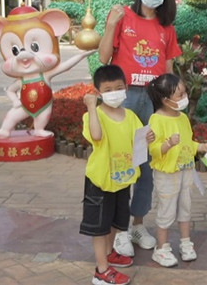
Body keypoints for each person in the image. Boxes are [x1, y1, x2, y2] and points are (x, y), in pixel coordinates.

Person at [98, 0, 182, 256]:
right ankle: (119, 229)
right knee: (122, 161)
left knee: (145, 163)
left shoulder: (166, 28)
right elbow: (103, 57)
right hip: (126, 98)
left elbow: (169, 71)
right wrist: (111, 25)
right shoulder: (123, 16)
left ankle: (137, 224)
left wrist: (171, 105)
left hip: (152, 99)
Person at [79, 65, 147, 285]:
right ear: (98, 92)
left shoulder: (131, 116)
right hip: (100, 181)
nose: (114, 93)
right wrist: (91, 107)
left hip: (122, 180)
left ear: (126, 87)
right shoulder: (94, 115)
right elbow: (96, 136)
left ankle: (109, 254)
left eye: (118, 87)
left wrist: (148, 139)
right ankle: (101, 270)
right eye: (108, 90)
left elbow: (138, 142)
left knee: (115, 222)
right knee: (100, 227)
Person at [145, 74, 207, 267]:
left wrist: (201, 147)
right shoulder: (156, 119)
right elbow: (154, 150)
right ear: (165, 100)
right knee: (166, 210)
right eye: (179, 94)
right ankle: (162, 249)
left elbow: (187, 144)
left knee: (185, 208)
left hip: (186, 171)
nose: (184, 97)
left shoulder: (183, 118)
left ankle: (185, 243)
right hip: (167, 174)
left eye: (184, 93)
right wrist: (167, 144)